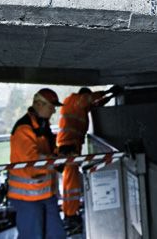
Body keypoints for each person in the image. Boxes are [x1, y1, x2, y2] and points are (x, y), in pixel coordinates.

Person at [9, 88, 67, 239]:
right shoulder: (24, 128)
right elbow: (31, 162)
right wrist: (55, 162)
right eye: (51, 106)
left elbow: (47, 153)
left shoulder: (42, 126)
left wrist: (61, 154)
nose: (54, 111)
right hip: (28, 198)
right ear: (39, 104)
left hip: (46, 194)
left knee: (56, 235)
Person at [56, 87, 115, 233]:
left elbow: (94, 105)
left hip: (70, 146)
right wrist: (106, 91)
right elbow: (88, 100)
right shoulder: (74, 100)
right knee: (71, 183)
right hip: (67, 146)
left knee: (71, 181)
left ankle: (71, 213)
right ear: (84, 94)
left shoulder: (78, 106)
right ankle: (70, 215)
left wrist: (111, 96)